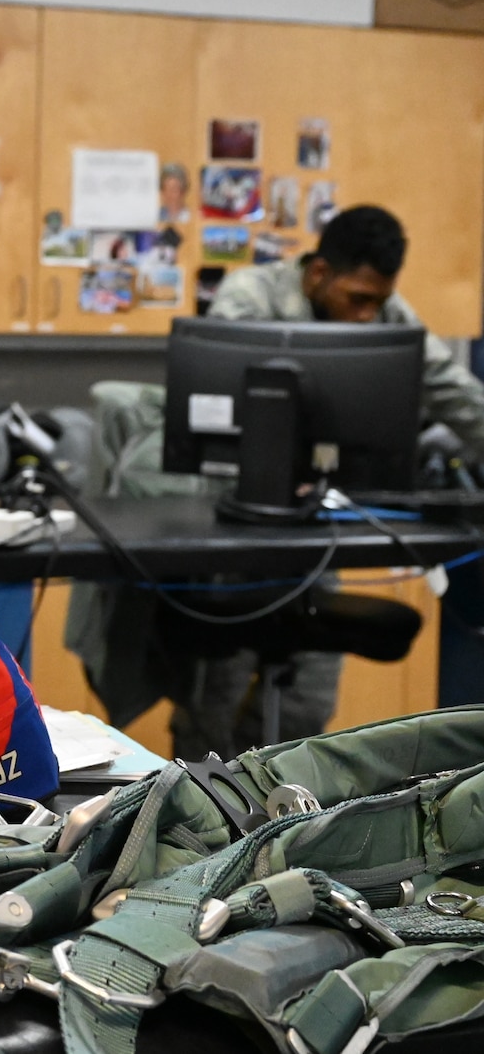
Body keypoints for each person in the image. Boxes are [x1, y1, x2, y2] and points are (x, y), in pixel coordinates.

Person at [168, 203, 484, 755]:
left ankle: (263, 817)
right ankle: (194, 825)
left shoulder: (383, 313)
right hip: (232, 540)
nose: (367, 316)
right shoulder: (252, 296)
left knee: (305, 711)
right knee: (208, 712)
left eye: (378, 302)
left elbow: (450, 388)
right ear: (319, 273)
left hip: (318, 535)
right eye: (358, 299)